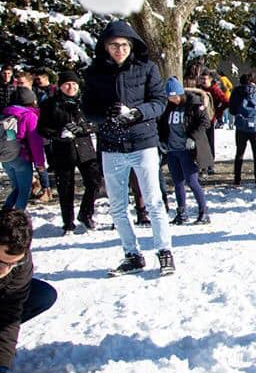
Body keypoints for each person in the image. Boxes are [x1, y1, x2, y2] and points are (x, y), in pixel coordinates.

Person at [82, 20, 176, 276]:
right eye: (114, 45)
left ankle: (164, 251)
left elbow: (159, 102)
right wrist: (105, 114)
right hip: (111, 145)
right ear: (105, 47)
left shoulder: (147, 68)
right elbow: (87, 109)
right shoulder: (94, 73)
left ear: (132, 45)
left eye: (124, 45)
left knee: (154, 200)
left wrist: (136, 113)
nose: (119, 49)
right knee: (117, 205)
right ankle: (131, 254)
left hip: (143, 142)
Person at [0, 209, 57, 373]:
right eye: (0, 262)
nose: (5, 271)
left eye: (12, 264)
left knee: (43, 294)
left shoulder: (21, 265)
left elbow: (10, 315)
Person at [36, 71, 102, 233]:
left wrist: (84, 128)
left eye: (74, 84)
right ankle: (68, 223)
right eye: (67, 84)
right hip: (63, 151)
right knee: (66, 188)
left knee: (94, 182)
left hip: (85, 149)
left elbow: (98, 123)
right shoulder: (50, 104)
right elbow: (42, 128)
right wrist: (59, 133)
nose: (71, 87)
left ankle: (86, 214)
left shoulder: (85, 102)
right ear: (60, 86)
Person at [158, 78, 212, 225]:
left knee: (192, 181)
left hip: (187, 150)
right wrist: (162, 141)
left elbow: (205, 122)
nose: (172, 100)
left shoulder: (194, 105)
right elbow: (162, 126)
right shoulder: (167, 108)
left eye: (175, 97)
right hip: (172, 150)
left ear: (181, 94)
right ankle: (182, 212)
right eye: (169, 97)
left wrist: (193, 138)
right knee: (177, 182)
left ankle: (204, 212)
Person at [1, 88, 47, 210]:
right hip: (22, 158)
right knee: (24, 191)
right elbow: (35, 142)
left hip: (6, 158)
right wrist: (40, 163)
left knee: (16, 188)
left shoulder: (6, 113)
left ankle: (5, 213)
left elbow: (10, 136)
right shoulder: (29, 115)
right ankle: (17, 218)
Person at [228, 73, 256, 188]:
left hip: (241, 126)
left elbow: (231, 110)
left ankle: (237, 179)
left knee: (239, 153)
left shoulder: (236, 92)